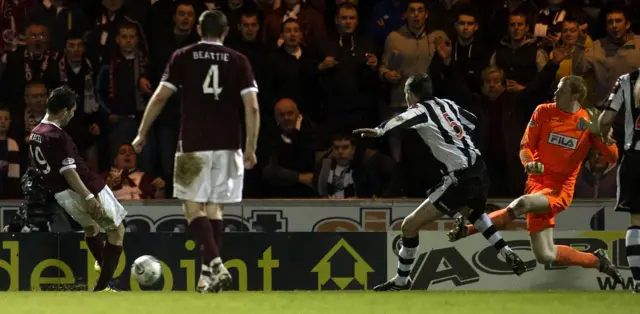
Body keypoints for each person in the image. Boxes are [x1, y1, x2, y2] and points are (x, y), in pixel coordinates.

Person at [353, 73, 526, 291]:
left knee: (409, 226)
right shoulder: (447, 104)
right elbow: (472, 122)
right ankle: (505, 251)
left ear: (410, 94)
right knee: (474, 213)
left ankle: (402, 281)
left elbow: (401, 119)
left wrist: (379, 130)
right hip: (480, 170)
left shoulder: (420, 110)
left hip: (460, 178)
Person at [447, 76, 623, 283]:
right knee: (545, 255)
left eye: (561, 90)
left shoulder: (586, 121)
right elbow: (525, 146)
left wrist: (600, 133)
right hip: (535, 185)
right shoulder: (543, 111)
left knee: (523, 204)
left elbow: (612, 157)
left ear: (575, 95)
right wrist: (529, 163)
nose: (555, 93)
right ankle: (598, 261)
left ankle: (467, 230)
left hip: (559, 190)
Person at [132, 10, 260, 293]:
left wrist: (142, 133)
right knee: (215, 207)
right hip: (229, 146)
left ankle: (214, 264)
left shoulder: (183, 55)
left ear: (199, 30)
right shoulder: (240, 60)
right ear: (226, 32)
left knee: (192, 206)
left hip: (192, 145)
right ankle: (207, 276)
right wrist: (250, 147)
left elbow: (160, 96)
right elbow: (252, 106)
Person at [28, 86, 127, 292]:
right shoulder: (58, 136)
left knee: (92, 228)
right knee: (116, 230)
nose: (72, 115)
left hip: (63, 196)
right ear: (64, 111)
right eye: (72, 111)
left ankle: (102, 265)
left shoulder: (35, 133)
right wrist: (89, 196)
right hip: (85, 187)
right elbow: (69, 172)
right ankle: (102, 287)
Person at [590, 69, 640, 292]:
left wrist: (603, 133)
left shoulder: (626, 81)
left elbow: (606, 120)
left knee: (636, 221)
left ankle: (639, 282)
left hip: (634, 160)